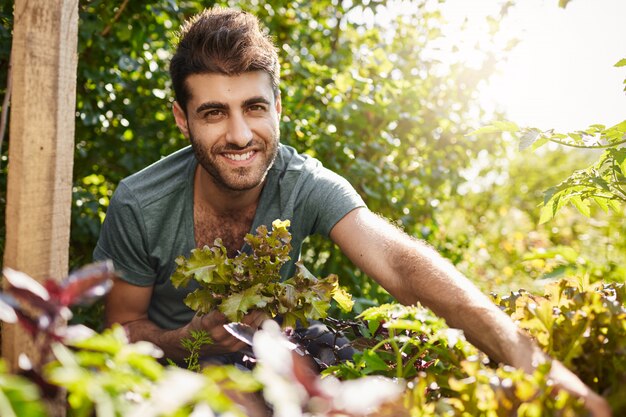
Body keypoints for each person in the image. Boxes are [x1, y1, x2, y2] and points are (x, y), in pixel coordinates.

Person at [94, 7, 611, 416]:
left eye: (254, 107)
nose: (240, 135)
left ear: (278, 108)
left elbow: (402, 266)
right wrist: (183, 340)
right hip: (168, 390)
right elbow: (122, 331)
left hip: (270, 372)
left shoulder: (303, 183)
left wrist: (538, 367)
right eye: (213, 113)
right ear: (183, 119)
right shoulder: (141, 204)